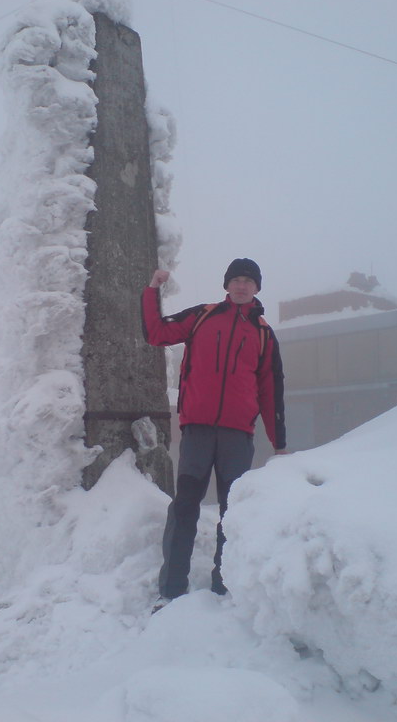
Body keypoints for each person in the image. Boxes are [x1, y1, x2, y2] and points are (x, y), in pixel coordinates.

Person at [141, 258, 286, 612]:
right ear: (227, 285)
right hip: (198, 430)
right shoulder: (203, 316)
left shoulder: (264, 334)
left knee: (231, 512)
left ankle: (224, 586)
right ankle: (172, 588)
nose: (241, 286)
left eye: (248, 281)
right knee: (186, 505)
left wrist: (279, 443)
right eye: (236, 279)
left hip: (237, 436)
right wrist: (152, 290)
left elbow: (271, 391)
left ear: (256, 288)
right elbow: (157, 333)